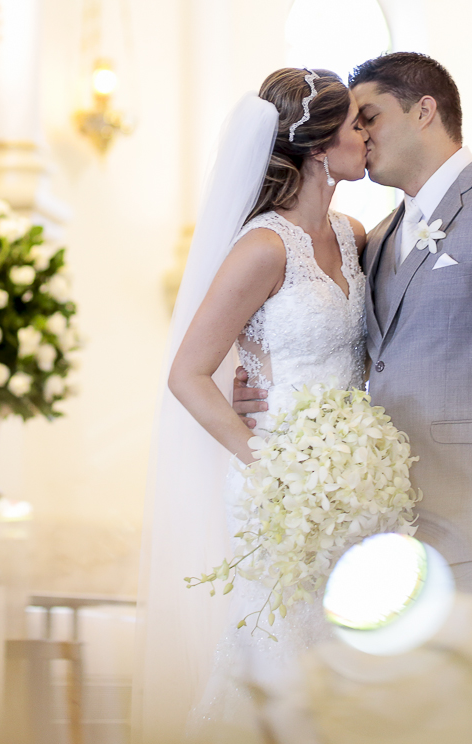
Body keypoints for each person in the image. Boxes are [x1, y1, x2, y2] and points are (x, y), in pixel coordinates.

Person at [234, 52, 472, 632]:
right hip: (394, 525)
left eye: (368, 116)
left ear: (424, 110)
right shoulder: (373, 238)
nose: (358, 134)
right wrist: (261, 385)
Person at [136, 67, 369, 744]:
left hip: (353, 483)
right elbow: (187, 374)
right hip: (278, 488)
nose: (366, 134)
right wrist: (266, 462)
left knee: (344, 668)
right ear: (321, 146)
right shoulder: (263, 247)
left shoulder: (353, 235)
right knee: (281, 663)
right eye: (356, 122)